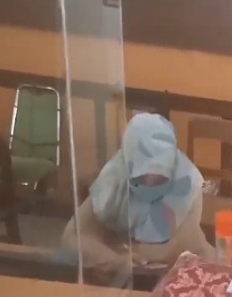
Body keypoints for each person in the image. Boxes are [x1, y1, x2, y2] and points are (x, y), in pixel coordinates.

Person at [62, 113, 215, 272]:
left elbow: (195, 250)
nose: (149, 187)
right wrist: (114, 260)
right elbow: (71, 238)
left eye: (159, 180)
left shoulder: (187, 186)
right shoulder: (114, 179)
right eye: (140, 179)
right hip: (116, 276)